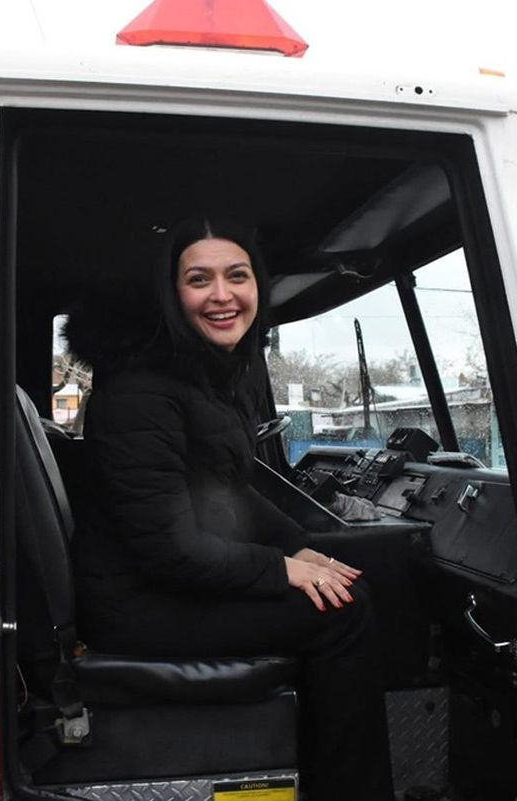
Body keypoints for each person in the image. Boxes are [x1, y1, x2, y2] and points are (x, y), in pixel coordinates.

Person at [64, 216, 395, 801]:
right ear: (172, 294)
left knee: (354, 581)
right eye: (199, 279)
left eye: (237, 276)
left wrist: (300, 546)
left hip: (158, 585)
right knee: (344, 614)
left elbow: (230, 491)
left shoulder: (199, 380)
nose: (222, 295)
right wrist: (281, 569)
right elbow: (169, 549)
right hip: (136, 606)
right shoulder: (142, 394)